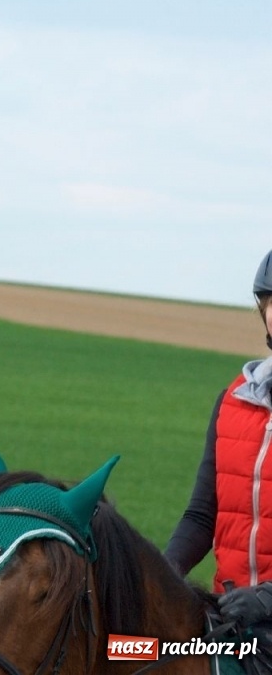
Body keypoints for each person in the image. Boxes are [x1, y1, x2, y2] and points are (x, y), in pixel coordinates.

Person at [166, 249, 272, 655]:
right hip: (230, 618)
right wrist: (160, 576)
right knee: (128, 652)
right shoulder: (233, 402)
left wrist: (266, 599)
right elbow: (201, 516)